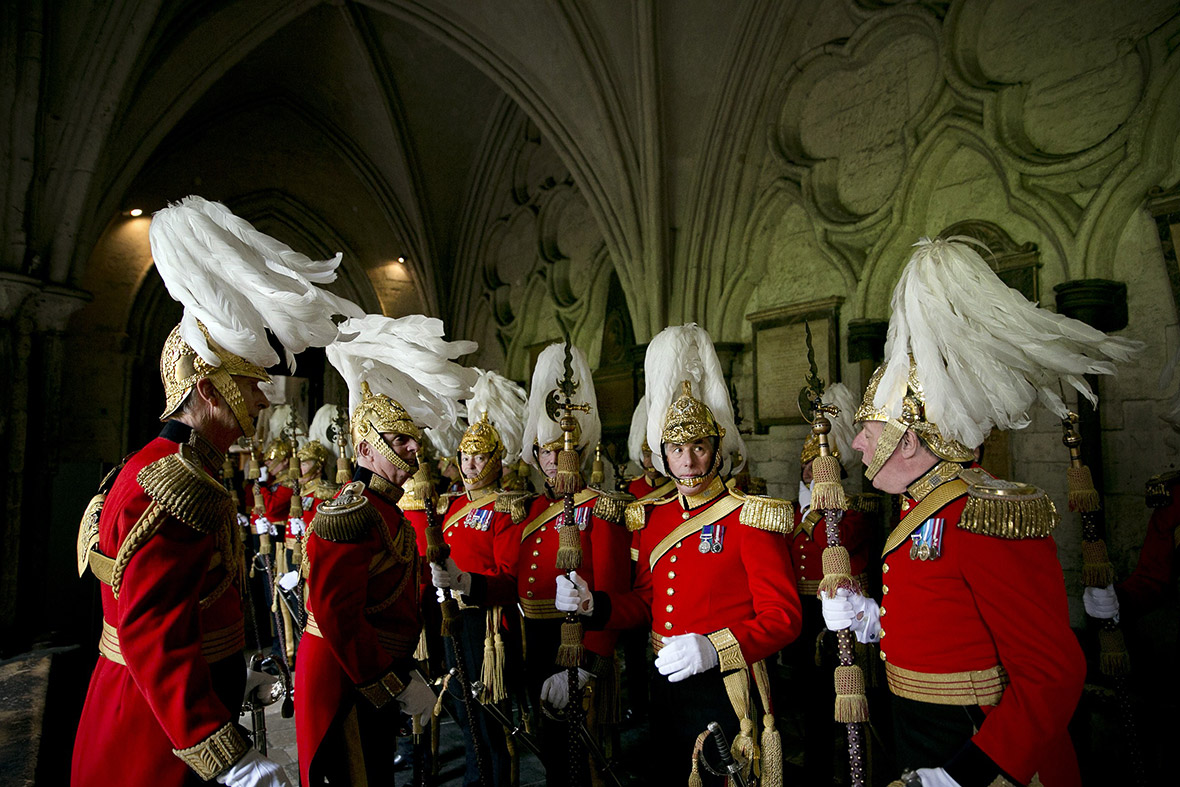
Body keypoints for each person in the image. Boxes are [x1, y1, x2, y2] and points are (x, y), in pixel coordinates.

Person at [822, 237, 1139, 787]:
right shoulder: (920, 507)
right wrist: (875, 620)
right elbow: (949, 621)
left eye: (869, 432)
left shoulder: (983, 515)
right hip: (920, 729)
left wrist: (966, 774)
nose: (857, 445)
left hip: (977, 744)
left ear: (909, 443)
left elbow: (1053, 673)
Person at [73, 195, 360, 786]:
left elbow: (193, 605)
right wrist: (222, 751)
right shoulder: (169, 483)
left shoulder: (178, 468)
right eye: (249, 384)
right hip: (154, 735)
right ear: (207, 390)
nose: (261, 399)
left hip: (173, 704)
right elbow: (151, 634)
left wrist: (228, 673)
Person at [560, 323, 802, 786]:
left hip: (726, 682)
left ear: (716, 450)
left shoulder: (749, 517)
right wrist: (596, 604)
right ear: (663, 454)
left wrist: (715, 647)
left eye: (698, 447)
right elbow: (646, 603)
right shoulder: (654, 517)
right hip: (665, 681)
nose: (688, 461)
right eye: (676, 449)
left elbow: (784, 617)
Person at [297, 312, 477, 785]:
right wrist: (386, 681)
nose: (414, 449)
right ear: (366, 449)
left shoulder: (385, 508)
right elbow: (337, 614)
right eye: (400, 440)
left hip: (374, 667)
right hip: (346, 676)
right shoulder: (352, 512)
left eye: (413, 440)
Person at [506, 341, 628, 786]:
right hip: (534, 644)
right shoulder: (531, 510)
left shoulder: (600, 509)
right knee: (550, 754)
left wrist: (586, 664)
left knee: (579, 762)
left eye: (562, 451)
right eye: (545, 452)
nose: (554, 461)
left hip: (577, 645)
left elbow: (613, 592)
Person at [429, 369, 529, 786]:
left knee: (489, 720)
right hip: (450, 618)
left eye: (480, 457)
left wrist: (465, 581)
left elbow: (510, 580)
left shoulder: (506, 508)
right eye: (465, 457)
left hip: (486, 625)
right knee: (462, 709)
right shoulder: (452, 505)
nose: (470, 465)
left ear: (497, 460)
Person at [781, 382, 876, 784]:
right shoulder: (793, 510)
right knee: (810, 695)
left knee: (842, 695)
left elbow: (835, 543)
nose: (812, 472)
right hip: (804, 612)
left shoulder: (852, 511)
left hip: (840, 613)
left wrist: (818, 514)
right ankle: (815, 766)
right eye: (808, 467)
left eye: (820, 467)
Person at [626, 395, 673, 501]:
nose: (650, 463)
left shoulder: (679, 489)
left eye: (656, 455)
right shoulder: (632, 487)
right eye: (646, 455)